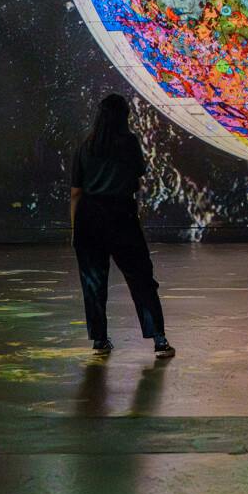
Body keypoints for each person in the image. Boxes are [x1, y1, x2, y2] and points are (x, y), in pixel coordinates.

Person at [70, 93, 174, 358]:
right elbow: (137, 179)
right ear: (124, 116)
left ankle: (100, 340)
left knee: (93, 283)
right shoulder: (128, 143)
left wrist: (75, 230)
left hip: (89, 219)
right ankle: (159, 340)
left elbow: (75, 193)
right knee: (141, 279)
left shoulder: (86, 147)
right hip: (121, 217)